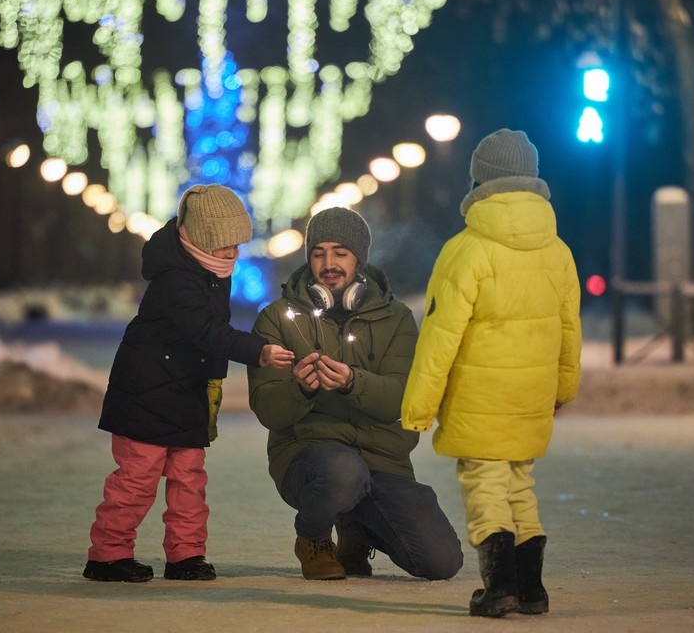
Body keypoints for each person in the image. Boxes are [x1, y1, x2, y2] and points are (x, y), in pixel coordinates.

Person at [400, 128, 582, 617]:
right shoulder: (558, 252)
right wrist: (563, 389)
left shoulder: (466, 250)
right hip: (532, 395)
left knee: (485, 483)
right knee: (519, 482)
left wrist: (419, 408)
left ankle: (499, 586)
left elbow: (440, 337)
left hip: (479, 396)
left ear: (479, 180)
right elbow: (570, 330)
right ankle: (532, 588)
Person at [83, 184, 295, 583]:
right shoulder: (176, 280)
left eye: (237, 244)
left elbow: (210, 333)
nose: (232, 253)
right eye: (223, 245)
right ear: (198, 239)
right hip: (147, 392)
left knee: (189, 479)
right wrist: (259, 351)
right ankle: (108, 555)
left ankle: (186, 555)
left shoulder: (213, 272)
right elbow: (206, 331)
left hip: (186, 390)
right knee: (136, 479)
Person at [247, 207, 463, 581]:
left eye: (340, 252)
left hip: (383, 459)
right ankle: (313, 539)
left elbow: (402, 397)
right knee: (343, 472)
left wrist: (353, 382)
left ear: (359, 258)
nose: (328, 263)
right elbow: (268, 408)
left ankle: (356, 529)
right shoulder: (277, 318)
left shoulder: (395, 318)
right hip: (310, 457)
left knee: (440, 562)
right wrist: (299, 388)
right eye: (318, 253)